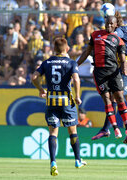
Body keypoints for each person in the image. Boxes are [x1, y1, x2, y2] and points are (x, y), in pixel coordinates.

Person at [32, 37, 87, 176]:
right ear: (66, 48)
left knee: (53, 133)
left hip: (51, 102)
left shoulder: (47, 62)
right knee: (72, 132)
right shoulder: (71, 63)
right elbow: (76, 79)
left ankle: (53, 162)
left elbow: (34, 77)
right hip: (66, 102)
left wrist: (40, 89)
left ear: (54, 48)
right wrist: (78, 96)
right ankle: (77, 160)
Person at [77, 16, 127, 140]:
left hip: (117, 70)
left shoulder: (118, 38)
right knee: (109, 99)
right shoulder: (96, 35)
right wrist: (74, 65)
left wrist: (124, 68)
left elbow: (122, 56)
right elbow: (87, 51)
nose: (109, 26)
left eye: (111, 24)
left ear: (115, 25)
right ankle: (115, 129)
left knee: (119, 98)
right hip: (100, 72)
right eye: (107, 23)